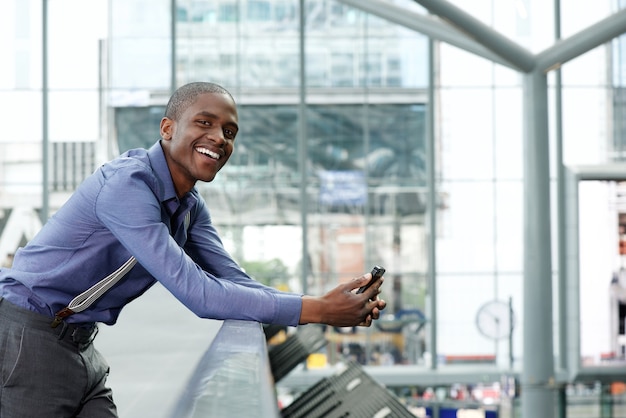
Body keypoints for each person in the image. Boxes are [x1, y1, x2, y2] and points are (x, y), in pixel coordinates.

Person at [0, 81, 386, 418]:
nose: (220, 137)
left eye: (230, 131)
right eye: (206, 123)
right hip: (30, 338)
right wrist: (320, 311)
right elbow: (199, 293)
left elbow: (233, 279)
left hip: (80, 344)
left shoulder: (188, 206)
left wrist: (323, 301)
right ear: (167, 128)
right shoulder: (127, 187)